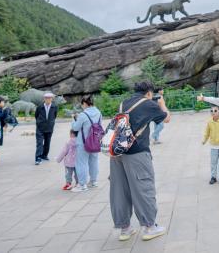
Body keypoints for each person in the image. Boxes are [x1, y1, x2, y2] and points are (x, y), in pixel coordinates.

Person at [110, 81, 169, 242]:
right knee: (143, 188)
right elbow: (167, 118)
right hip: (137, 153)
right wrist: (162, 104)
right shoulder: (149, 104)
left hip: (117, 153)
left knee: (119, 190)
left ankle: (125, 229)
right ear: (149, 93)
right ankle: (150, 227)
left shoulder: (124, 103)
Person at [72, 94, 103, 192]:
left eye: (82, 104)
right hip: (95, 142)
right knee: (94, 161)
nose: (82, 107)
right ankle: (93, 182)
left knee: (82, 163)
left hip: (83, 143)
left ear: (85, 103)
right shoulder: (98, 113)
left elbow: (75, 128)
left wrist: (74, 119)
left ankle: (82, 185)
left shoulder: (83, 115)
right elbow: (100, 126)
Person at [34, 91, 58, 165]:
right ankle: (38, 158)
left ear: (52, 99)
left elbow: (54, 115)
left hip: (49, 127)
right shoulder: (40, 107)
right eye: (46, 98)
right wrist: (39, 122)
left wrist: (51, 122)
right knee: (39, 143)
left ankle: (44, 155)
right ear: (44, 99)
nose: (48, 99)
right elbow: (36, 115)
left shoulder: (54, 107)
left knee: (47, 143)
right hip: (40, 128)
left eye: (50, 98)